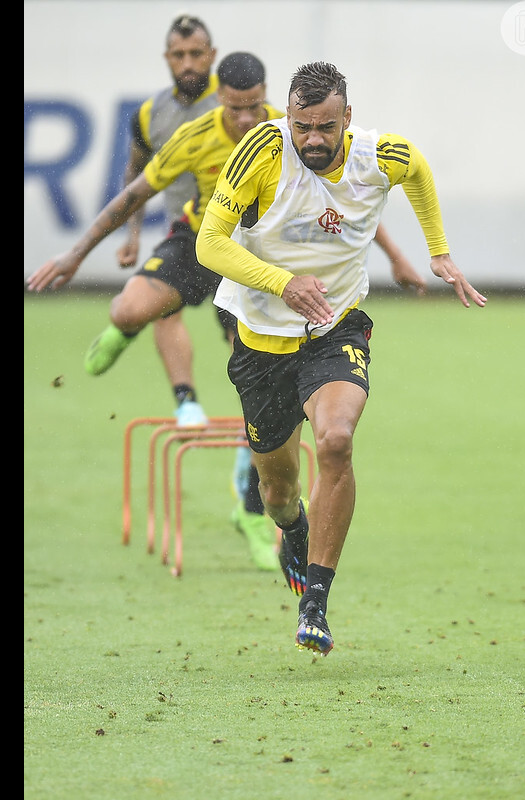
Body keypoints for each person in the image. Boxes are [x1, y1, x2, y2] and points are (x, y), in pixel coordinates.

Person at [27, 54, 427, 575]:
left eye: (252, 107)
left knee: (267, 397)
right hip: (203, 244)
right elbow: (136, 193)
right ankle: (131, 337)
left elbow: (344, 209)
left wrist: (396, 254)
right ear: (220, 98)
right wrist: (76, 255)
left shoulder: (293, 134)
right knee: (131, 309)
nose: (245, 119)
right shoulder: (196, 138)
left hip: (265, 266)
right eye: (235, 108)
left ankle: (254, 511)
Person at [196, 62, 487, 656]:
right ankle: (292, 530)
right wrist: (281, 283)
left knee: (335, 440)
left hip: (336, 326)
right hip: (260, 340)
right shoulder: (261, 150)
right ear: (287, 117)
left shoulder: (381, 155)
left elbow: (420, 172)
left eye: (325, 126)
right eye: (301, 125)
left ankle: (316, 604)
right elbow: (209, 242)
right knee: (277, 495)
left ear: (347, 118)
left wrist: (438, 252)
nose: (313, 139)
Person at [105, 14, 219, 427]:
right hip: (184, 234)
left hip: (238, 235)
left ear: (212, 56)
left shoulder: (237, 104)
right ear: (167, 58)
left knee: (246, 334)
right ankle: (186, 402)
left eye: (195, 54)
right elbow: (134, 174)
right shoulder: (151, 113)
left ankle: (256, 435)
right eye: (179, 55)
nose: (187, 63)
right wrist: (133, 235)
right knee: (158, 310)